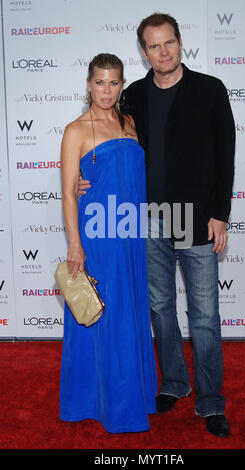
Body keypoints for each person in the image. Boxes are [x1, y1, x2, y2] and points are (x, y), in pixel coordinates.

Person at [79, 13, 235, 438]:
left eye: (169, 43)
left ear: (180, 43)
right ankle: (173, 383)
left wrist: (220, 213)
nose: (162, 52)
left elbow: (226, 154)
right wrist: (82, 178)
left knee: (204, 315)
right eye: (153, 45)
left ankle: (210, 401)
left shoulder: (209, 89)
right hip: (148, 218)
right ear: (143, 51)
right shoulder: (132, 96)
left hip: (196, 215)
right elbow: (109, 146)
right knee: (161, 309)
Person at [59, 53, 157, 434]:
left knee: (128, 312)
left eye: (114, 82)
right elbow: (69, 193)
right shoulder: (76, 130)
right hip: (98, 237)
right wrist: (75, 245)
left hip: (130, 234)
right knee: (102, 313)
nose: (106, 90)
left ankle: (133, 394)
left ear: (121, 85)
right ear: (88, 83)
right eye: (99, 82)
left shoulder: (129, 122)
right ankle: (102, 401)